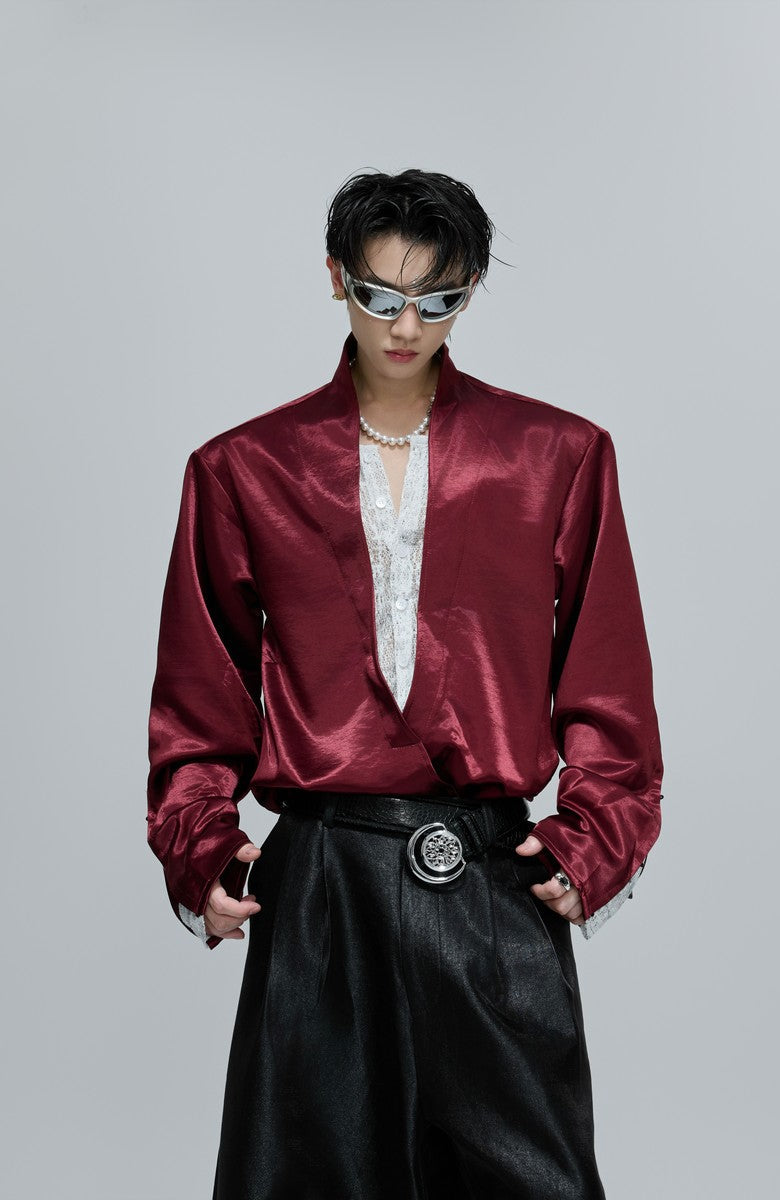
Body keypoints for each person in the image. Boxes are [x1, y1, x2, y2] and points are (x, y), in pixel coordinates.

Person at [146, 167, 664, 1199]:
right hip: (322, 883)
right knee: (308, 1176)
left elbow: (606, 677)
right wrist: (198, 847)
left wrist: (597, 837)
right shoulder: (244, 468)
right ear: (334, 277)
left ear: (470, 290)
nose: (405, 326)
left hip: (490, 877)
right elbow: (198, 695)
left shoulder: (555, 456)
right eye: (379, 295)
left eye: (438, 299)